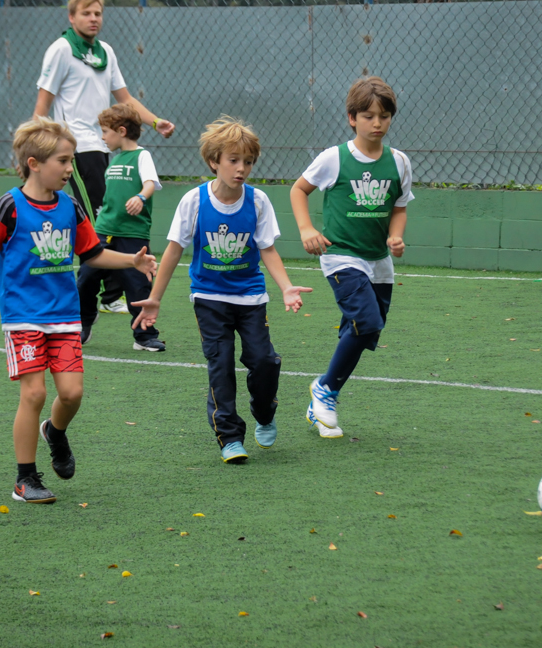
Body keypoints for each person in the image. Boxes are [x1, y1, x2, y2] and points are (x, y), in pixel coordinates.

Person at [0, 117, 157, 503]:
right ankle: (25, 479)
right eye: (63, 161)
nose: (70, 169)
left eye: (71, 160)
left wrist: (131, 262)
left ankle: (54, 432)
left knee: (71, 394)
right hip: (23, 316)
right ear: (34, 163)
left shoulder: (70, 206)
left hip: (65, 317)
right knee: (34, 393)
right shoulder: (11, 205)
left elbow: (92, 253)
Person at [131, 117, 311, 464]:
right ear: (214, 161)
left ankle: (264, 412)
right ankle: (229, 436)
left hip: (250, 298)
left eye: (248, 161)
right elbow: (173, 250)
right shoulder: (194, 202)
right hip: (209, 299)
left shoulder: (257, 202)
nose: (241, 168)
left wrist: (286, 287)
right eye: (233, 160)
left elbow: (267, 249)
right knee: (221, 364)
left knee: (264, 362)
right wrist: (155, 297)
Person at [34, 0, 175, 315]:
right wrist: (36, 148)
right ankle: (102, 295)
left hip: (104, 148)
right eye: (86, 13)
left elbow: (124, 99)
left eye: (98, 13)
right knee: (99, 220)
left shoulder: (106, 52)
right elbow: (43, 103)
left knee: (106, 219)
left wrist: (155, 121)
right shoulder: (61, 50)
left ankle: (109, 293)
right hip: (77, 147)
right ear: (72, 17)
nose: (94, 18)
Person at [289, 77, 413, 438]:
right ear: (351, 118)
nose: (377, 123)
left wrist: (396, 236)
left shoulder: (400, 163)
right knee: (367, 322)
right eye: (369, 115)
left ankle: (324, 390)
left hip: (379, 261)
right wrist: (306, 229)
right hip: (341, 256)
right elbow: (299, 190)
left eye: (384, 116)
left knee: (361, 329)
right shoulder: (334, 158)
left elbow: (400, 207)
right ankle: (326, 391)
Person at [76, 103, 165, 351]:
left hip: (133, 233)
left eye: (105, 131)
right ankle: (85, 322)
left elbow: (149, 183)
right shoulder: (113, 160)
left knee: (138, 284)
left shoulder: (141, 155)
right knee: (85, 278)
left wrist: (141, 197)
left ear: (122, 131)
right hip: (103, 231)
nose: (103, 137)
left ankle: (144, 336)